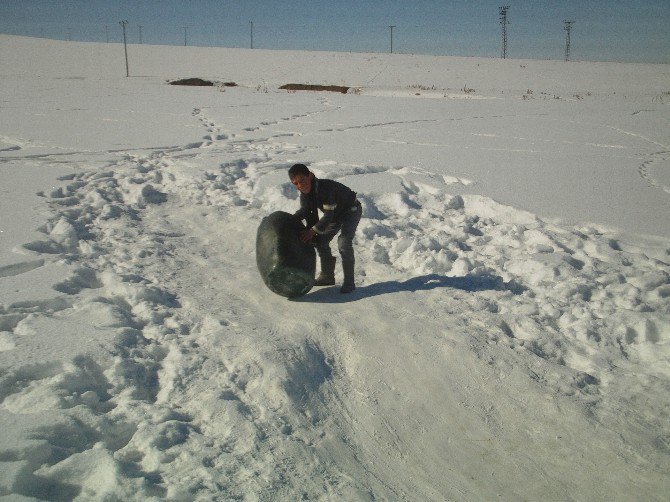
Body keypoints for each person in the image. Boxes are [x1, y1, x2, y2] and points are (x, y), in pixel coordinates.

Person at [289, 163, 362, 294]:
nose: (300, 185)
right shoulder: (305, 194)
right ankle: (327, 276)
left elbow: (328, 215)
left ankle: (349, 283)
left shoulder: (324, 189)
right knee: (320, 241)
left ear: (310, 176)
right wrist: (290, 220)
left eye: (302, 180)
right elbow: (306, 211)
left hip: (351, 210)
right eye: (296, 183)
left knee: (344, 242)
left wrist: (312, 231)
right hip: (336, 214)